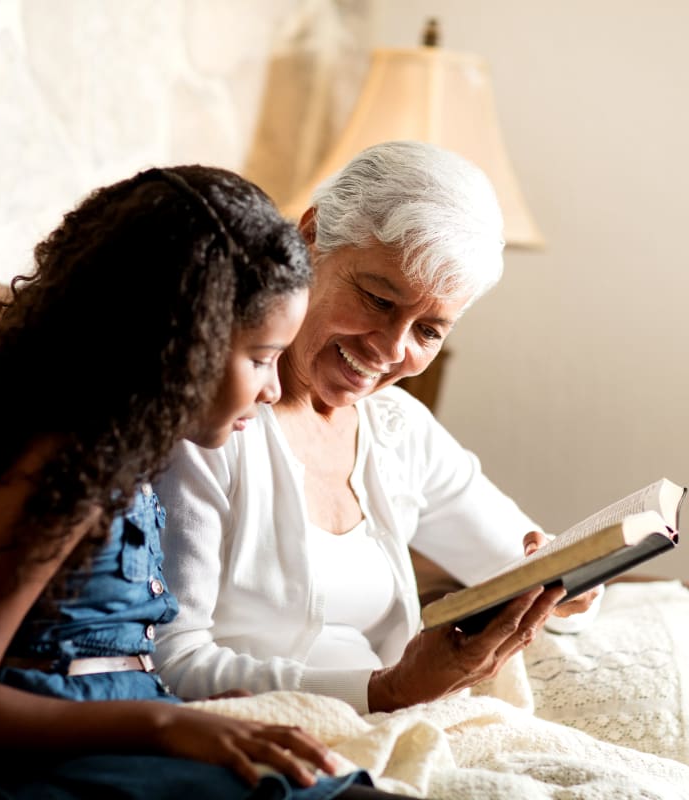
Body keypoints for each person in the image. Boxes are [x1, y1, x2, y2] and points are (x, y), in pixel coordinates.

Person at [0, 165, 408, 799]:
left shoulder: (127, 466)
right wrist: (160, 724)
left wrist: (192, 711)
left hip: (127, 739)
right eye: (260, 358)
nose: (274, 388)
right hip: (49, 770)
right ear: (178, 343)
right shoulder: (56, 474)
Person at [153, 141, 603, 716]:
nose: (393, 350)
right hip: (256, 735)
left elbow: (527, 562)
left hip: (392, 724)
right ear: (311, 237)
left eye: (430, 331)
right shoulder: (212, 419)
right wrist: (386, 692)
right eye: (378, 298)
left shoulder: (399, 430)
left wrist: (576, 586)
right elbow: (168, 663)